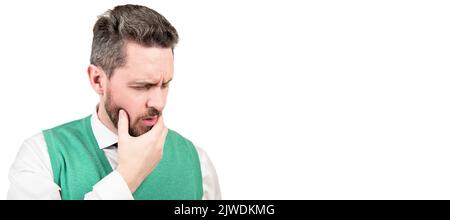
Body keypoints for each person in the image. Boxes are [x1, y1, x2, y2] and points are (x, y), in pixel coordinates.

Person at [7, 4, 221, 200]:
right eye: (142, 86)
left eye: (165, 84)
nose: (159, 102)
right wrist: (126, 178)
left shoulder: (197, 163)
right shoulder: (41, 156)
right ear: (98, 80)